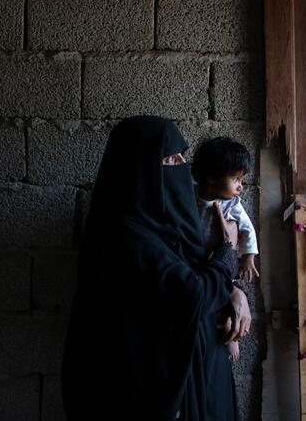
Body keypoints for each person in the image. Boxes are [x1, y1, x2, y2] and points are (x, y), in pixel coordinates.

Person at [61, 115, 251, 420]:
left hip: (198, 382)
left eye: (182, 158)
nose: (181, 167)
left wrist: (232, 290)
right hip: (153, 394)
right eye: (170, 159)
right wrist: (226, 255)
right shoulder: (125, 235)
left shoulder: (166, 223)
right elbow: (193, 293)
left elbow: (194, 272)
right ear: (138, 169)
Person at [191, 137, 259, 362]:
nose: (240, 187)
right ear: (211, 177)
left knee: (225, 296)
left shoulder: (231, 204)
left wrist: (248, 257)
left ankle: (231, 337)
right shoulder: (189, 197)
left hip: (220, 261)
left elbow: (247, 229)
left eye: (242, 180)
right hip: (197, 262)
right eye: (236, 179)